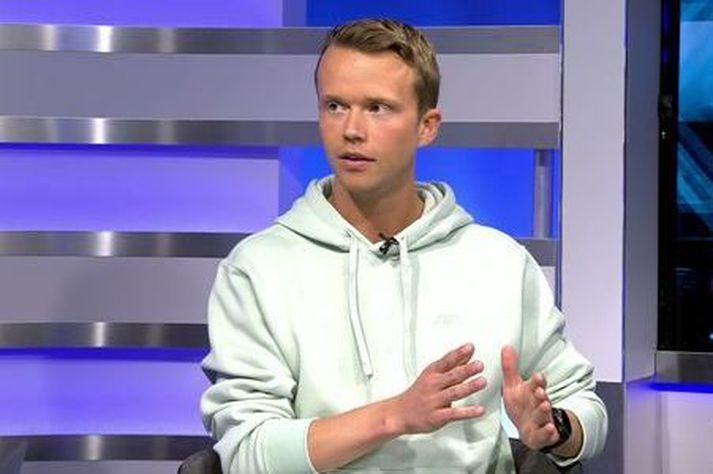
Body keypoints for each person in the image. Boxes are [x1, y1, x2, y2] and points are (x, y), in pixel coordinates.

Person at [201, 18, 607, 473]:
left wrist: (555, 427)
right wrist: (395, 416)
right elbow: (247, 454)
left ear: (427, 126)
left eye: (378, 108)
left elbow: (585, 407)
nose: (351, 129)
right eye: (335, 106)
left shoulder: (498, 263)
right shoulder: (259, 268)